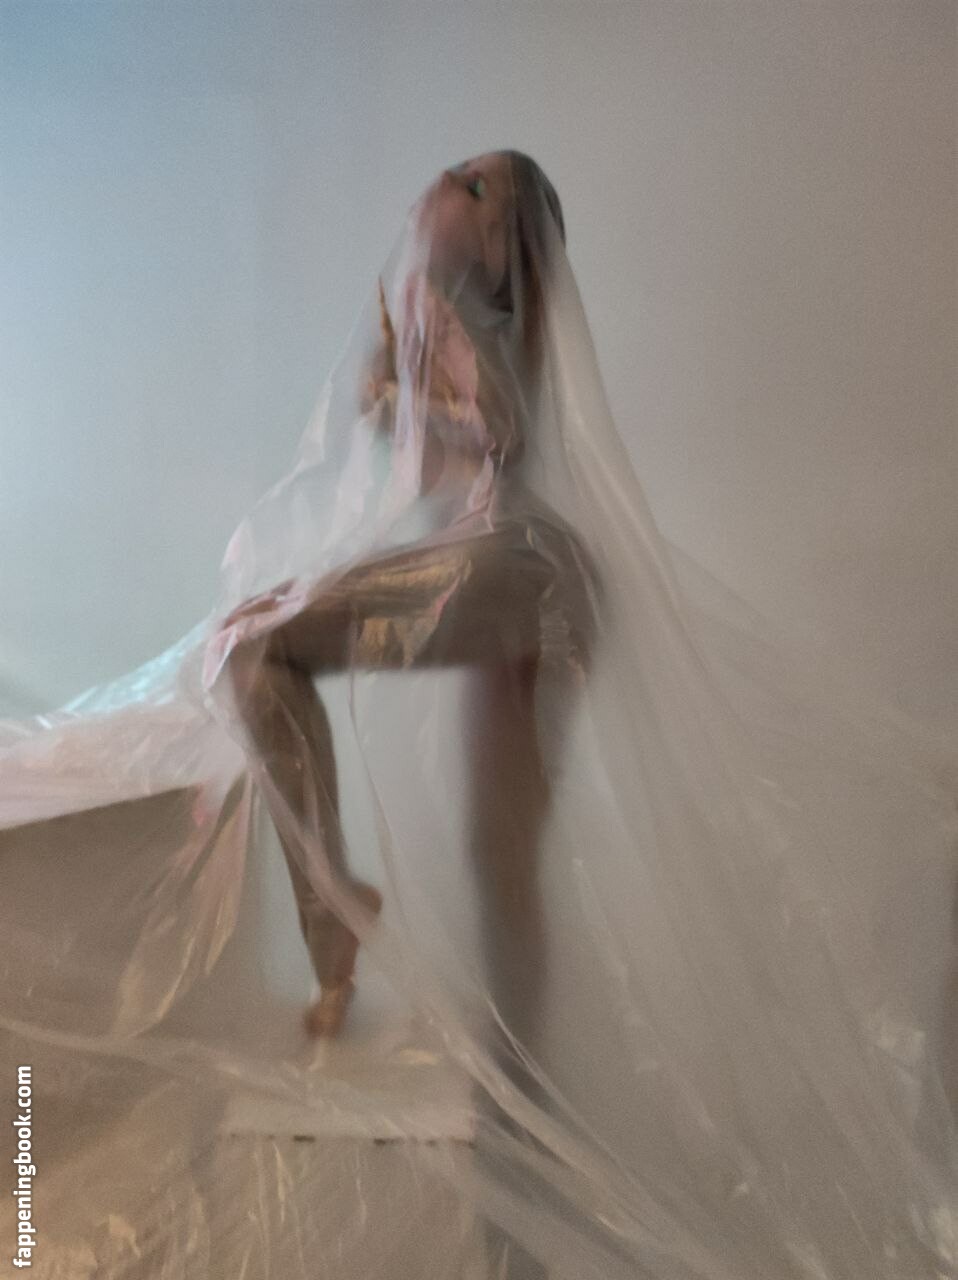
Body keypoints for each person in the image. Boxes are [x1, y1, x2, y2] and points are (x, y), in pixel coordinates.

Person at [205, 151, 597, 1039]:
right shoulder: (446, 314)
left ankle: (334, 912)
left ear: (495, 240)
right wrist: (398, 383)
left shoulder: (466, 311)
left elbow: (500, 436)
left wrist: (427, 347)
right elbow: (430, 470)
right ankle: (520, 1085)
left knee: (255, 642)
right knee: (499, 858)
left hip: (514, 562)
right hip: (523, 574)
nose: (440, 184)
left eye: (470, 185)